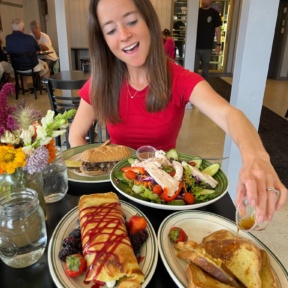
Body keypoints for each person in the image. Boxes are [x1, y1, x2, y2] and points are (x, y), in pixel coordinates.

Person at [69, 0, 287, 224]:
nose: (124, 35)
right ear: (103, 40)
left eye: (131, 21)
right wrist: (96, 176)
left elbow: (230, 115)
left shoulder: (179, 78)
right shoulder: (101, 82)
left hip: (164, 194)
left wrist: (257, 158)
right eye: (111, 30)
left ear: (149, 21)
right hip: (115, 192)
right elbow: (76, 133)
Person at [6, 18, 50, 89]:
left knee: (22, 63)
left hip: (16, 67)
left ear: (12, 28)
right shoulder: (29, 38)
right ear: (23, 28)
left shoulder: (8, 38)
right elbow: (38, 49)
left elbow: (8, 51)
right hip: (31, 67)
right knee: (45, 65)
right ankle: (46, 87)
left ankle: (25, 88)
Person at [194, 0, 222, 80]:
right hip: (195, 47)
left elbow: (217, 30)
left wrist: (218, 44)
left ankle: (205, 88)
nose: (204, 1)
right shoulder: (197, 12)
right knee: (194, 70)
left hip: (207, 47)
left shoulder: (215, 14)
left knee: (205, 71)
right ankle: (194, 89)